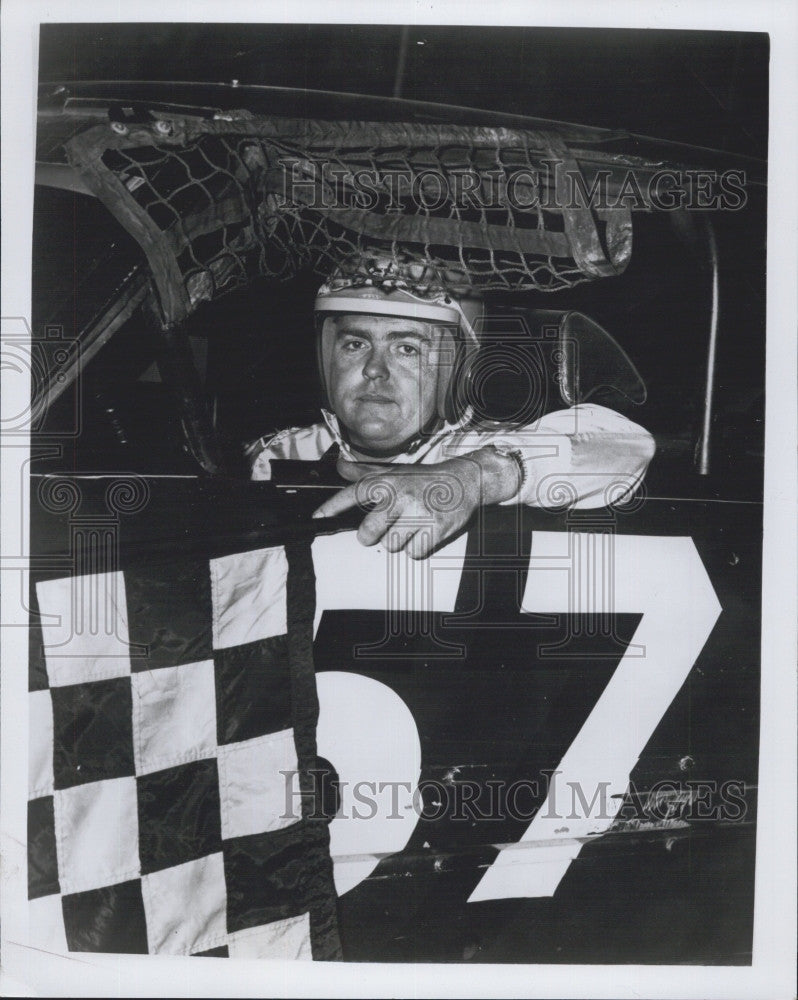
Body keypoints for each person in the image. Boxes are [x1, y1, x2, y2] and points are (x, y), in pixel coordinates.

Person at [248, 262, 656, 559]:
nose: (374, 369)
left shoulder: (484, 449)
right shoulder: (278, 456)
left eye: (406, 348)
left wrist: (474, 478)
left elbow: (625, 442)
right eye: (355, 344)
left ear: (456, 372)